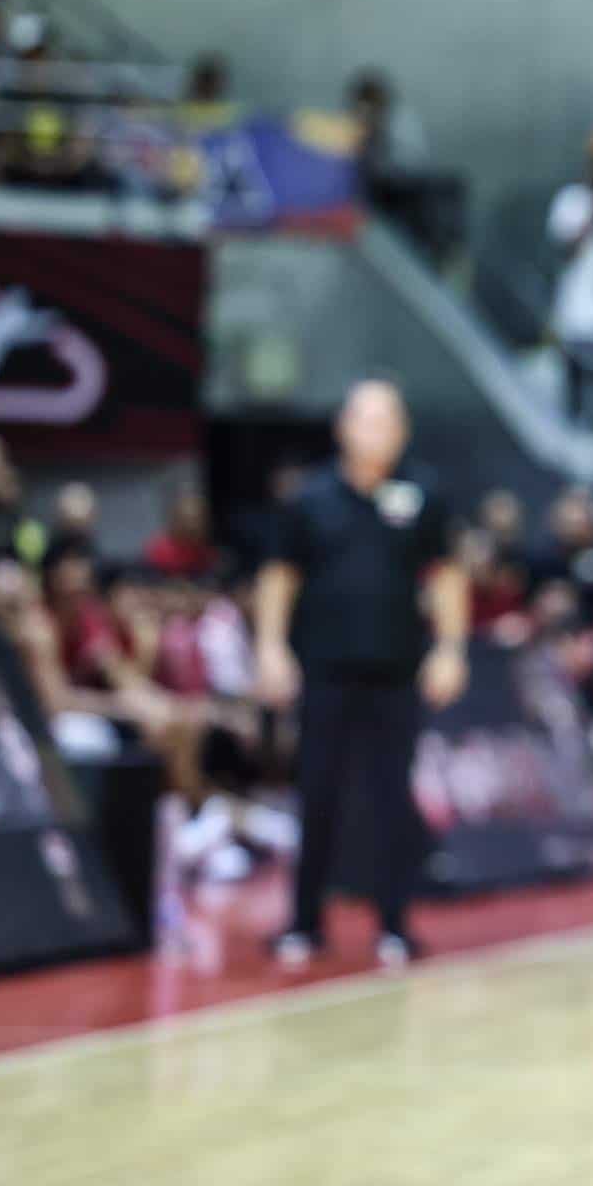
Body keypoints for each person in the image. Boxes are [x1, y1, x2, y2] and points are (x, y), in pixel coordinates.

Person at [253, 380, 467, 968]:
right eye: (367, 420)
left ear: (402, 431)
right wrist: (270, 647)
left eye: (389, 421)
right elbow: (278, 576)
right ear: (344, 428)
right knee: (317, 792)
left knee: (392, 797)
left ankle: (395, 924)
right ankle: (302, 922)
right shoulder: (310, 499)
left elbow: (446, 574)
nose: (379, 432)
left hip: (397, 673)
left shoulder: (423, 495)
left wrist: (450, 647)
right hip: (325, 671)